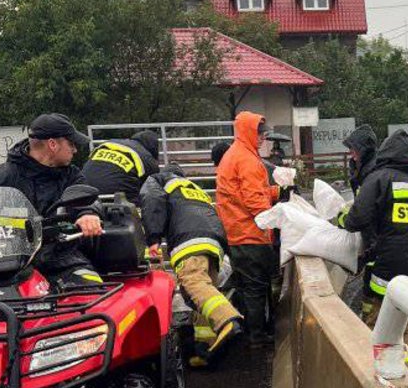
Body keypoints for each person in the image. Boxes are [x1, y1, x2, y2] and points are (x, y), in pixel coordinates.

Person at [335, 129, 408, 370]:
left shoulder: (379, 178)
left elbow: (357, 219)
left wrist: (341, 219)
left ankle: (378, 370)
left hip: (392, 262)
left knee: (379, 314)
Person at [0, 113, 103, 288]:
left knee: (94, 294)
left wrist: (88, 214)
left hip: (62, 259)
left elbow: (88, 199)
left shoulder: (71, 175)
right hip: (5, 265)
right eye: (71, 144)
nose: (75, 150)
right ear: (53, 144)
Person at [140, 167, 243, 365]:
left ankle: (228, 319)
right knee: (204, 295)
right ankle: (206, 349)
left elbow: (152, 201)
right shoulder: (194, 189)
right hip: (214, 242)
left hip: (190, 240)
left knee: (194, 282)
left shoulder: (158, 180)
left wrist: (153, 237)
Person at [214, 112, 279, 346]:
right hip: (250, 234)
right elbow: (254, 202)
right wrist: (276, 218)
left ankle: (249, 332)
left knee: (247, 286)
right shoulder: (247, 160)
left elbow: (250, 193)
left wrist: (277, 192)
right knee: (256, 288)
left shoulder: (237, 155)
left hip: (238, 233)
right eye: (260, 133)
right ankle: (257, 337)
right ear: (249, 132)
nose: (263, 138)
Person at [81, 129, 159, 203]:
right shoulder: (147, 157)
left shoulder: (109, 143)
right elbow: (153, 188)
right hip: (119, 199)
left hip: (84, 192)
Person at [343, 125, 378, 196]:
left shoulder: (375, 170)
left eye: (353, 148)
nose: (351, 152)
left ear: (364, 149)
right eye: (350, 148)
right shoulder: (357, 167)